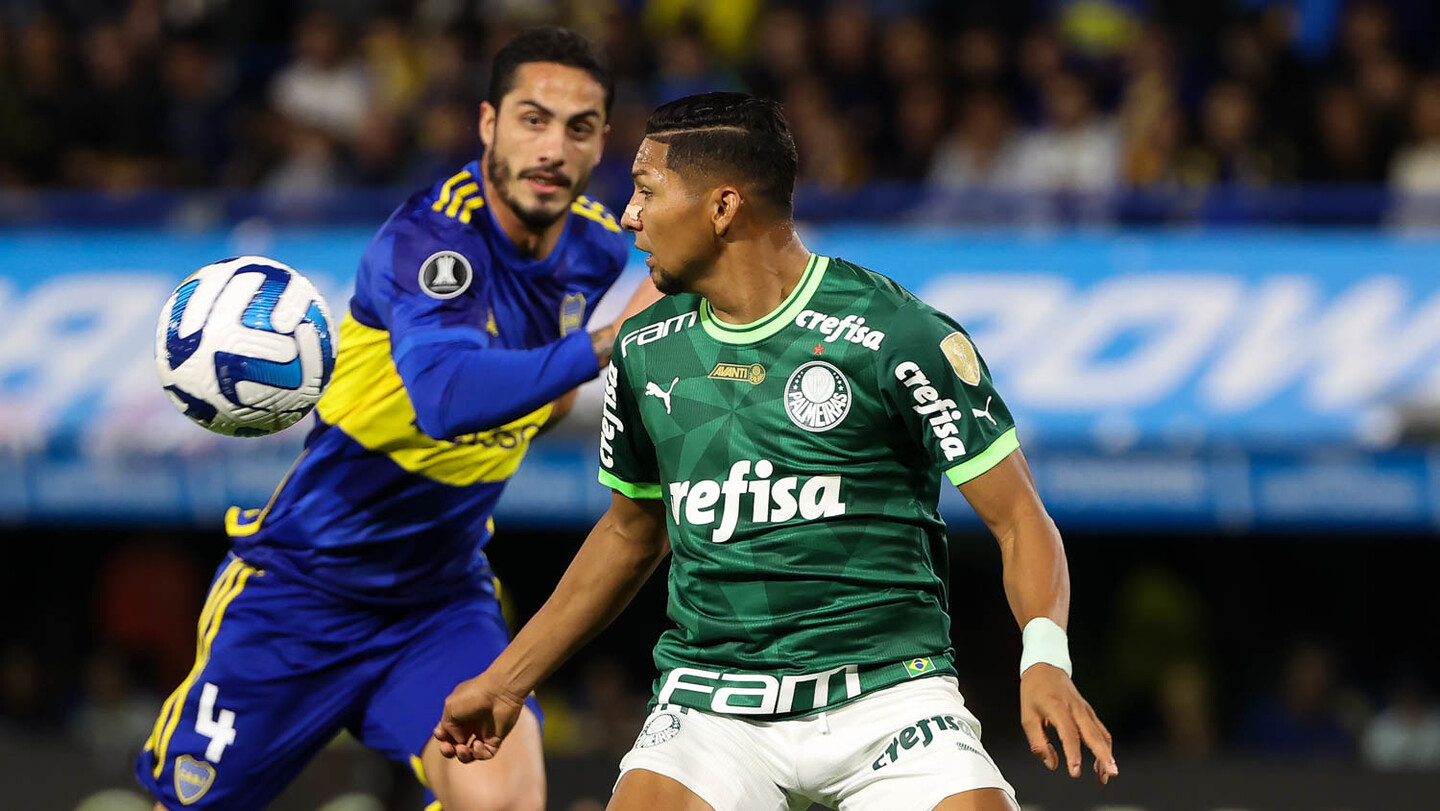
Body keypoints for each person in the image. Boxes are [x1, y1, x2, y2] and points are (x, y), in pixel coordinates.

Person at [434, 92, 1117, 811]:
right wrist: (507, 679)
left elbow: (1019, 518)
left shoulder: (896, 335)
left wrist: (1046, 659)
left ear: (723, 207)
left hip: (890, 698)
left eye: (646, 191)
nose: (629, 215)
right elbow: (630, 533)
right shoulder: (646, 348)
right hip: (711, 706)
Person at [137, 27, 656, 811]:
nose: (553, 146)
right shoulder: (429, 238)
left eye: (577, 127)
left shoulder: (595, 249)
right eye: (532, 119)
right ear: (488, 124)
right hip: (301, 590)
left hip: (439, 606)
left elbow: (533, 405)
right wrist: (610, 342)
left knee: (506, 801)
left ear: (601, 142)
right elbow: (445, 399)